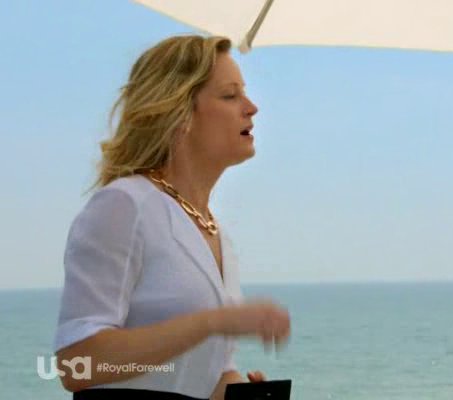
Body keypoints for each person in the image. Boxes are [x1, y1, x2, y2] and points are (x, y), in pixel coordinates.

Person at [54, 35, 291, 400]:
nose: (252, 107)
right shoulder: (123, 205)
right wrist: (212, 322)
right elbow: (76, 365)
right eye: (230, 95)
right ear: (180, 112)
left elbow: (198, 378)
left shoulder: (215, 232)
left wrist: (236, 390)